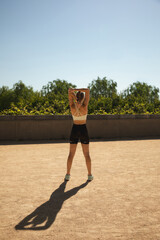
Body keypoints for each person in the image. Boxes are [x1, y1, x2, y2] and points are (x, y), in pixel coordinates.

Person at [65, 88, 93, 181]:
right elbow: (87, 90)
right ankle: (89, 175)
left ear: (76, 97)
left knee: (71, 154)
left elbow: (69, 92)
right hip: (83, 129)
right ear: (83, 98)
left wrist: (73, 92)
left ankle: (67, 175)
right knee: (87, 154)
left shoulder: (72, 106)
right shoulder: (84, 106)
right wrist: (76, 89)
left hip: (75, 129)